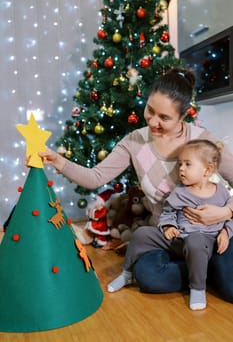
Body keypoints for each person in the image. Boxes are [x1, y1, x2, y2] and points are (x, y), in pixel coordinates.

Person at [38, 68, 233, 302]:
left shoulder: (204, 141)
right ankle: (201, 269)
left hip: (212, 233)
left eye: (164, 117)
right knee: (149, 277)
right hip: (168, 236)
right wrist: (59, 161)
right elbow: (96, 177)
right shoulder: (134, 142)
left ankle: (203, 265)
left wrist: (226, 211)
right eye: (150, 110)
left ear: (183, 116)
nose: (153, 121)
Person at [120, 139, 233, 310]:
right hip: (179, 240)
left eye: (188, 164)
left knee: (195, 240)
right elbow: (169, 212)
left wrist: (226, 231)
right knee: (142, 233)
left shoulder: (221, 192)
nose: (181, 169)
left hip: (207, 241)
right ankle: (126, 273)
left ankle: (197, 287)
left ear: (207, 170)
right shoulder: (180, 192)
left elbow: (229, 219)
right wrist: (168, 226)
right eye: (180, 164)